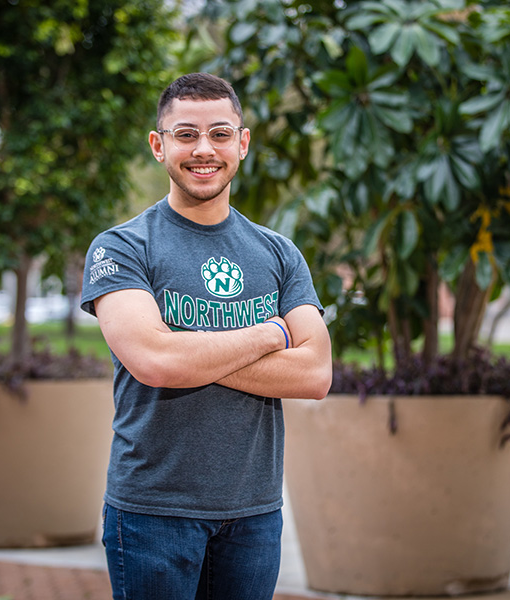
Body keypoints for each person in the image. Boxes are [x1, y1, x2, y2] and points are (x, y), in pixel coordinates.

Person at [80, 72, 332, 600]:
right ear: (159, 145)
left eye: (220, 134)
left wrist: (190, 348)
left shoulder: (280, 253)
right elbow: (155, 362)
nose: (204, 150)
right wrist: (272, 332)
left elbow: (314, 373)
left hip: (254, 514)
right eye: (186, 134)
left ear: (242, 143)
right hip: (153, 512)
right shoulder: (121, 248)